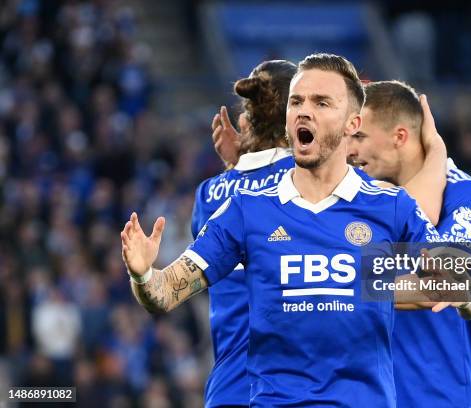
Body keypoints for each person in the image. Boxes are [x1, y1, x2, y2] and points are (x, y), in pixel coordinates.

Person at [120, 53, 442, 406]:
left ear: (353, 124)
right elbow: (163, 294)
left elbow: (464, 282)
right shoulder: (247, 209)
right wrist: (143, 274)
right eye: (296, 102)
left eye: (321, 102)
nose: (305, 111)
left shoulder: (388, 205)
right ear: (286, 119)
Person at [347, 80, 471, 407]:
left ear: (400, 137)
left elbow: (444, 280)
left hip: (443, 396)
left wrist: (346, 286)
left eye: (359, 137)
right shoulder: (360, 199)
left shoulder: (465, 194)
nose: (349, 150)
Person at [193, 60, 297, 408]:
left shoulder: (210, 194)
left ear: (246, 117)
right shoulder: (312, 183)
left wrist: (236, 166)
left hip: (229, 388)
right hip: (296, 387)